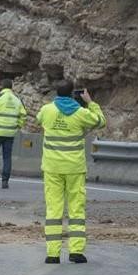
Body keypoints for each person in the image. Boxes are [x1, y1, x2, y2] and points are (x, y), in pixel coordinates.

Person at [37, 80, 105, 264]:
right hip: (74, 168)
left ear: (56, 93)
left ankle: (52, 254)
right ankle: (76, 251)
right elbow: (100, 121)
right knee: (76, 209)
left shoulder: (47, 110)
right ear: (72, 94)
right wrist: (90, 102)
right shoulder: (81, 113)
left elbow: (39, 119)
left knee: (53, 210)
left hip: (52, 168)